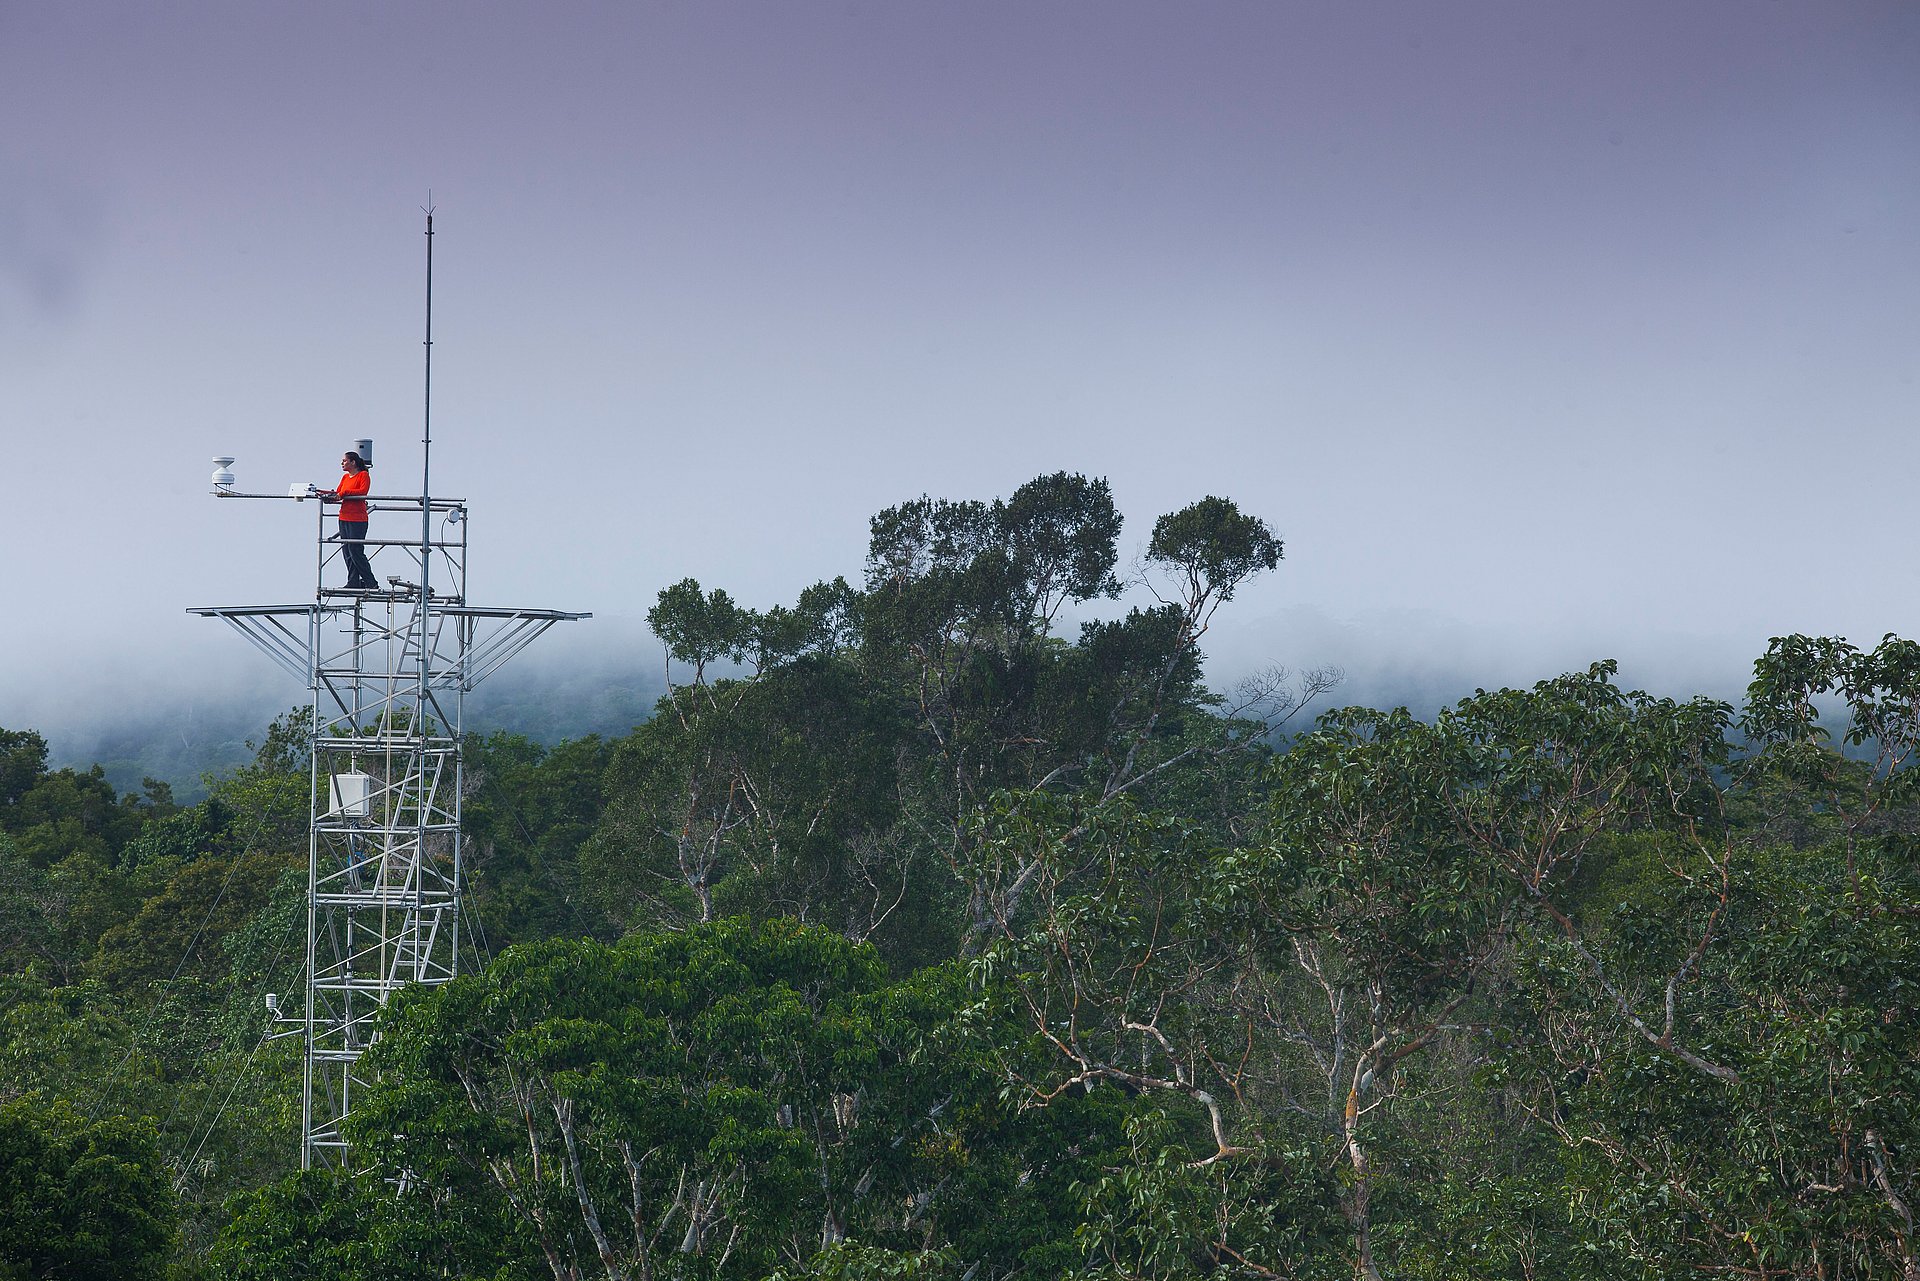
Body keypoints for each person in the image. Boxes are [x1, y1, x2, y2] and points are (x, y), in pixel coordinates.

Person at [322, 450, 377, 589]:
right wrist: (329, 497)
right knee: (346, 550)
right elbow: (338, 494)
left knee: (355, 550)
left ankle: (370, 582)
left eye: (345, 461)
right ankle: (353, 581)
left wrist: (344, 493)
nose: (342, 463)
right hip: (344, 517)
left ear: (353, 462)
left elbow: (362, 491)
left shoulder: (363, 475)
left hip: (357, 519)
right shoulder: (345, 478)